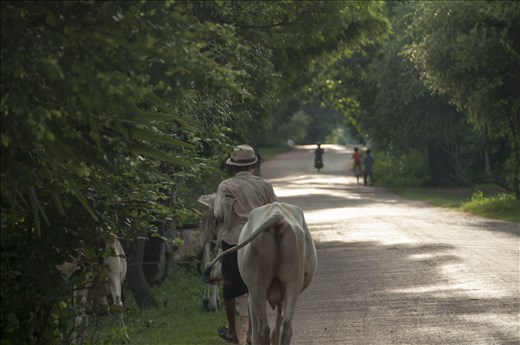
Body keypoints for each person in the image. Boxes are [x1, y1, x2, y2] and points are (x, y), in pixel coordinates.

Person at [214, 144, 278, 344]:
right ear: (252, 165)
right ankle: (252, 332)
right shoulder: (265, 185)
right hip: (261, 239)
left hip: (234, 241)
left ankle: (233, 331)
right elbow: (274, 210)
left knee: (230, 288)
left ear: (233, 167)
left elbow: (219, 214)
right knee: (256, 287)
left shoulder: (226, 186)